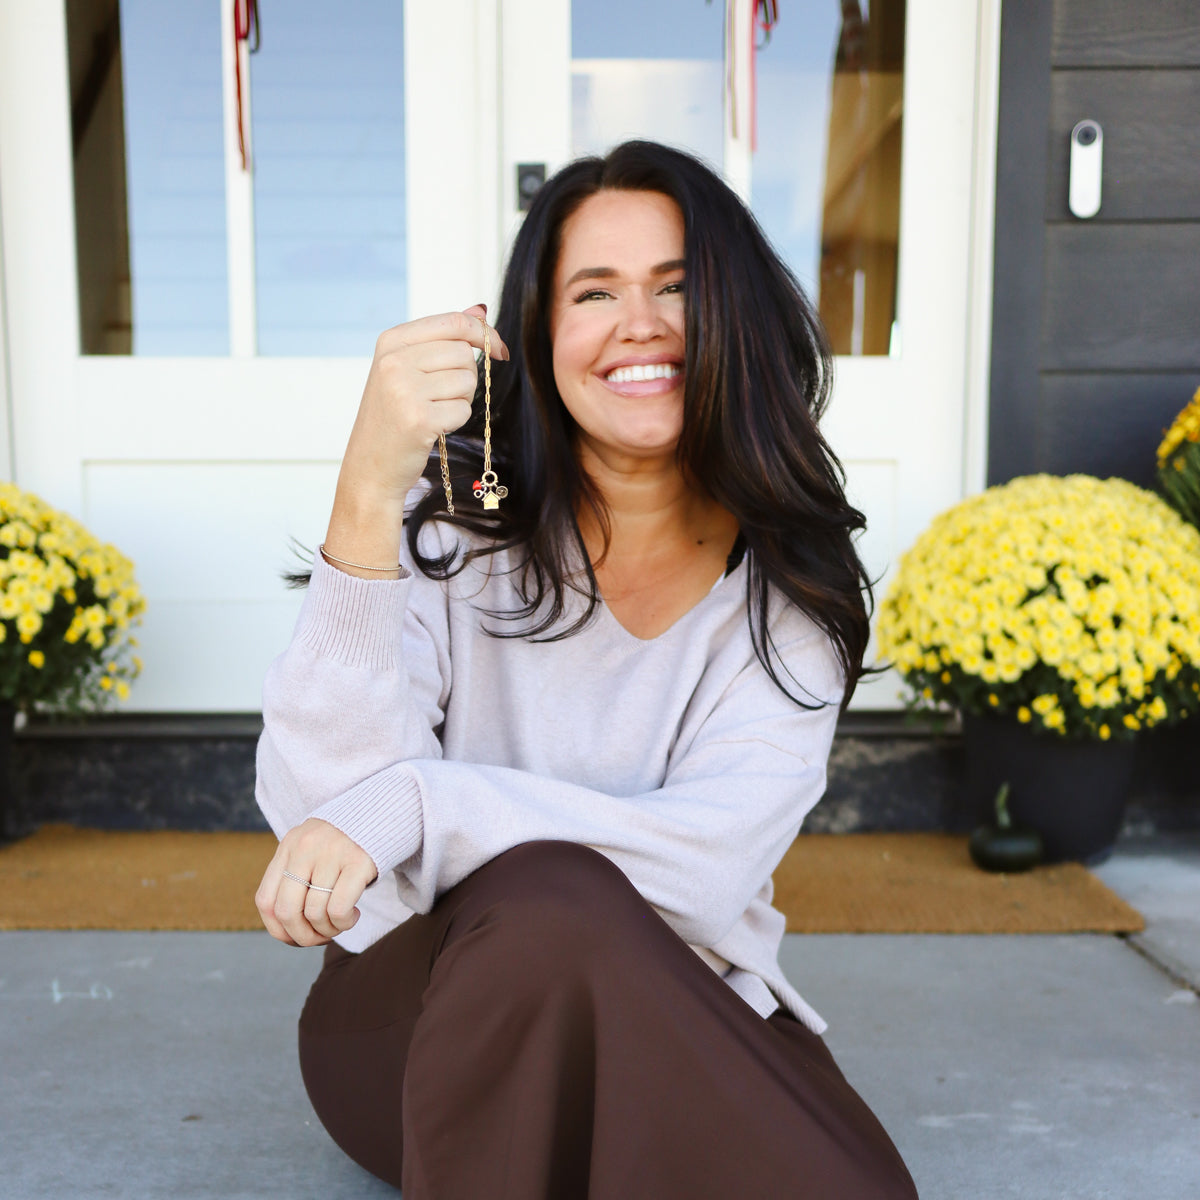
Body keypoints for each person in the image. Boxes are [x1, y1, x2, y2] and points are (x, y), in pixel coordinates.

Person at [254, 139, 918, 1199]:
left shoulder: (787, 595)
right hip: (411, 1020)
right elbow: (325, 830)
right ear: (541, 338)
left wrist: (425, 801)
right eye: (593, 292)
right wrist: (367, 496)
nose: (639, 324)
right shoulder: (455, 543)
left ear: (736, 320)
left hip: (662, 1006)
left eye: (675, 287)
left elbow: (702, 874)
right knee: (548, 899)